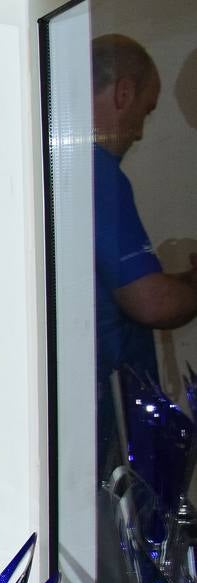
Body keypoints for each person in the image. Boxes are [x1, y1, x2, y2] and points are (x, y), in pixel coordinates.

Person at [91, 34, 197, 467]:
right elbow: (149, 302)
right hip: (108, 412)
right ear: (124, 93)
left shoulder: (64, 169)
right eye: (145, 112)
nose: (138, 131)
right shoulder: (100, 177)